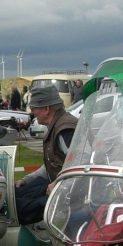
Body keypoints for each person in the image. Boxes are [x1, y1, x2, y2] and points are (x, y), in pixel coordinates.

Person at [15, 84, 77, 225]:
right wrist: (26, 180)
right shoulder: (58, 125)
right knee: (17, 197)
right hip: (64, 191)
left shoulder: (65, 129)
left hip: (74, 197)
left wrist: (58, 184)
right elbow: (52, 165)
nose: (32, 112)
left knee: (23, 208)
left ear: (47, 109)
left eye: (34, 107)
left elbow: (80, 162)